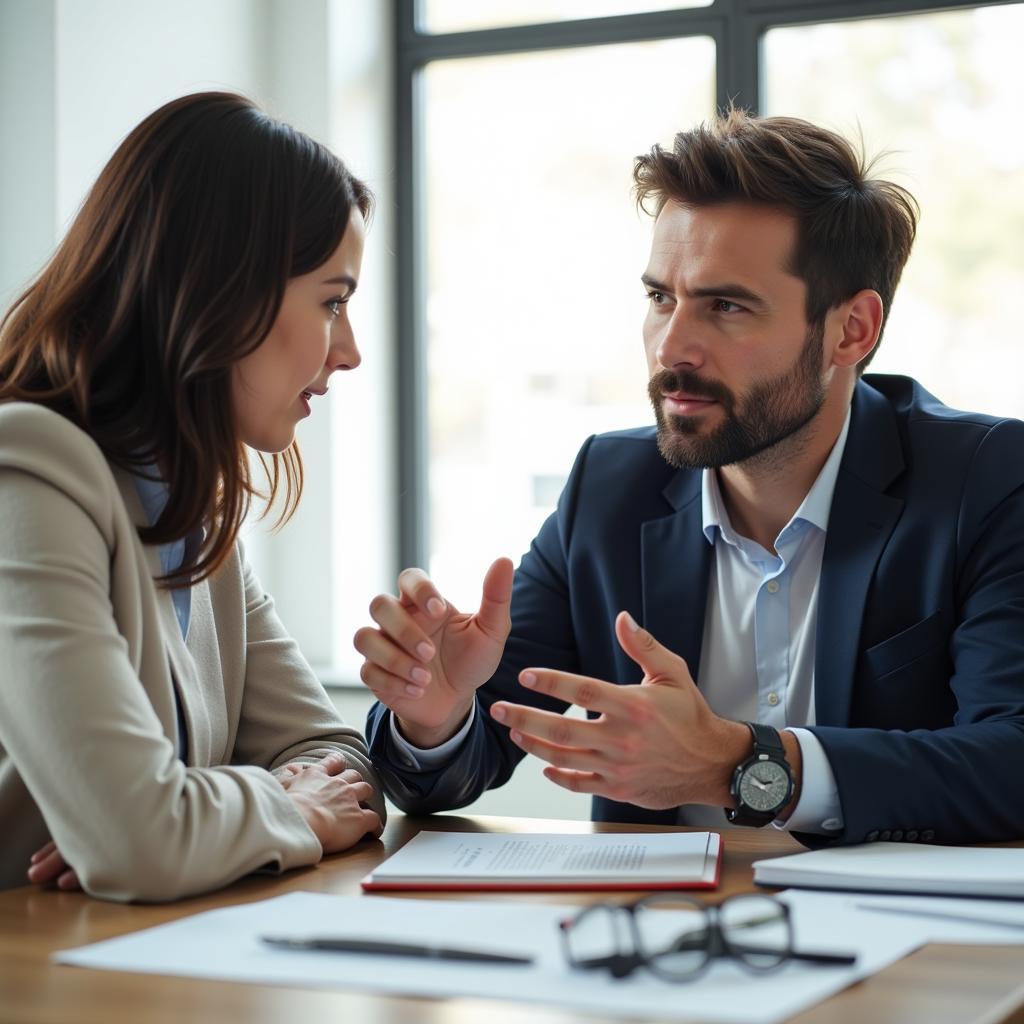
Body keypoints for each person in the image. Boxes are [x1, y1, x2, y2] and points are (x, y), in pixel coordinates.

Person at [356, 108, 1024, 847]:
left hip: (906, 947)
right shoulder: (610, 486)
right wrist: (435, 712)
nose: (672, 346)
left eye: (727, 306)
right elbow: (447, 773)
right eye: (660, 298)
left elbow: (1012, 761)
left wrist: (742, 766)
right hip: (657, 942)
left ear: (851, 329)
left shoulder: (984, 482)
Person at [0, 92, 385, 901]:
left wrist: (192, 823)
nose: (348, 352)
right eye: (333, 301)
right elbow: (140, 841)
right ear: (224, 289)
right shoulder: (25, 472)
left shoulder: (195, 513)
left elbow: (340, 761)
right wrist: (187, 821)